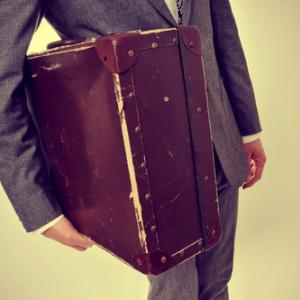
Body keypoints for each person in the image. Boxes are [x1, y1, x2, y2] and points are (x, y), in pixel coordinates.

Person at [0, 0, 266, 299]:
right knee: (176, 293)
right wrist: (38, 205)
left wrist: (247, 129)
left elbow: (223, 34)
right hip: (142, 160)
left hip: (219, 138)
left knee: (216, 284)